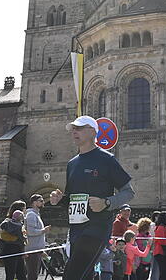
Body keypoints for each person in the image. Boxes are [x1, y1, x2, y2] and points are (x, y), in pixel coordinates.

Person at [49, 116, 134, 280]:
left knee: (71, 276)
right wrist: (59, 199)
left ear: (93, 131)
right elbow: (71, 199)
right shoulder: (72, 163)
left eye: (79, 128)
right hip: (75, 230)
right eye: (73, 129)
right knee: (85, 276)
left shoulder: (106, 159)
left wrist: (107, 202)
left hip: (97, 229)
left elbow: (129, 192)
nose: (74, 131)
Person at [0, 201, 27, 280]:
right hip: (11, 249)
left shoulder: (18, 223)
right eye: (24, 209)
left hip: (17, 249)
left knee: (21, 274)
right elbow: (20, 237)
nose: (25, 211)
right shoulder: (9, 222)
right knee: (12, 274)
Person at [25, 194, 49, 280]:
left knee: (34, 273)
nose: (43, 203)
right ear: (34, 203)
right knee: (32, 274)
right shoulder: (31, 215)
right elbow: (31, 232)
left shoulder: (36, 214)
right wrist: (44, 230)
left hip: (36, 249)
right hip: (32, 250)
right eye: (41, 201)